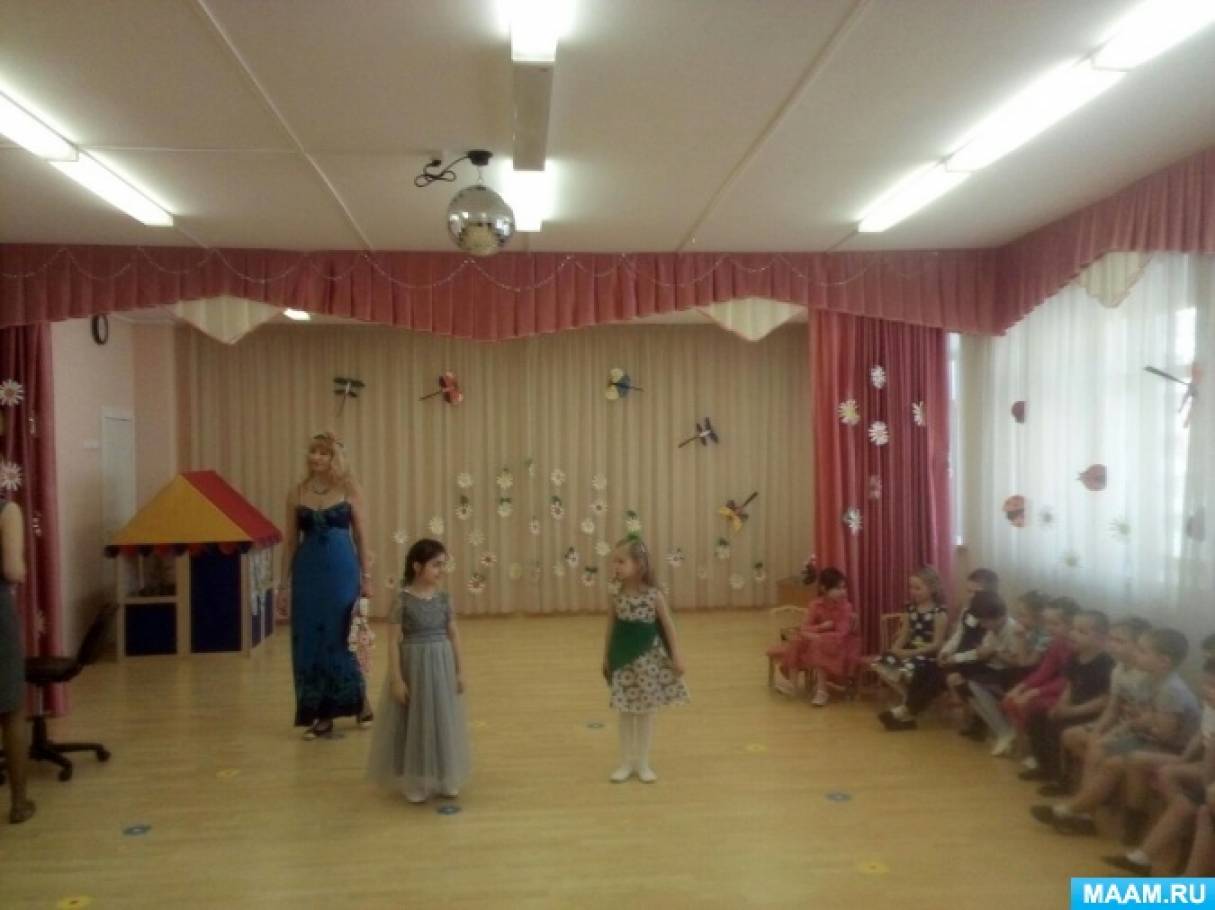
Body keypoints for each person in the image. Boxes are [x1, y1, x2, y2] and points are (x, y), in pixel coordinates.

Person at [1032, 628, 1200, 841]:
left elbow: (1165, 735)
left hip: (1171, 748)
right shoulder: (1150, 680)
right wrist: (1134, 724)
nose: (1137, 654)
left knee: (1112, 760)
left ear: (1164, 661)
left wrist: (1142, 722)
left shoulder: (1171, 690)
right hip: (1147, 738)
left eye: (1142, 651)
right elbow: (1139, 715)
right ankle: (1083, 811)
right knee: (1102, 752)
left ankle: (1074, 811)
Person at [277, 431, 372, 739]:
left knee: (342, 634)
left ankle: (353, 701)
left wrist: (366, 577)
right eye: (313, 452)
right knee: (309, 638)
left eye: (323, 453)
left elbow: (361, 537)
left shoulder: (349, 489)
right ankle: (320, 712)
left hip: (342, 572)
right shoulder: (296, 492)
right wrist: (283, 586)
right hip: (308, 573)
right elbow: (290, 542)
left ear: (335, 458)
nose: (315, 457)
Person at [367, 539, 469, 804]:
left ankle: (445, 775)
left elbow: (454, 635)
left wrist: (460, 671)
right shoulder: (402, 600)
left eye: (443, 565)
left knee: (442, 717)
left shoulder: (444, 599)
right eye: (436, 565)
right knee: (416, 721)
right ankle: (417, 778)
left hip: (441, 666)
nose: (441, 570)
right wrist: (397, 679)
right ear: (416, 566)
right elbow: (392, 642)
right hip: (414, 667)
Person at [1102, 657, 1215, 874]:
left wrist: (1206, 780)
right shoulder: (1210, 709)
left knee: (1196, 803)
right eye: (1207, 684)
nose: (1207, 691)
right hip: (1206, 767)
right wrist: (1185, 759)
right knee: (1183, 797)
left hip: (1208, 769)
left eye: (1214, 686)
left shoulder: (1173, 690)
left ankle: (1178, 846)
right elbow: (1202, 737)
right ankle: (1144, 857)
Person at [603, 537, 689, 782]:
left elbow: (669, 626)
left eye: (621, 561)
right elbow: (610, 626)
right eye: (614, 561)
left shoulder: (654, 595)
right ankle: (625, 763)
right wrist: (606, 656)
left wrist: (677, 655)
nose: (616, 566)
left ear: (639, 564)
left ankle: (642, 763)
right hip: (623, 661)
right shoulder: (615, 594)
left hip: (648, 662)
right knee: (625, 713)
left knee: (645, 713)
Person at [1018, 610, 1113, 786]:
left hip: (1091, 713)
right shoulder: (1074, 658)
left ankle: (1062, 778)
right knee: (1037, 716)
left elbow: (1103, 701)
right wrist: (1060, 706)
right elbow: (1069, 686)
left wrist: (1071, 711)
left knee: (1059, 728)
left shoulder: (1105, 664)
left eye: (1082, 632)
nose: (1073, 634)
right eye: (1074, 629)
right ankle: (1044, 766)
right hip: (1072, 708)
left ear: (1100, 638)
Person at [0, 450, 34, 824]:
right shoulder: (6, 511)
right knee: (9, 708)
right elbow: (12, 571)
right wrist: (20, 568)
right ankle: (19, 803)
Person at [875, 567, 949, 732]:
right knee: (881, 663)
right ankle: (909, 700)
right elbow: (904, 634)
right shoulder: (910, 609)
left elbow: (937, 644)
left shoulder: (939, 613)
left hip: (928, 655)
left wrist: (909, 653)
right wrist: (895, 650)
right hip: (911, 650)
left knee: (912, 669)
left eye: (918, 588)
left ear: (932, 588)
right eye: (911, 587)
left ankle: (907, 705)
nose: (913, 591)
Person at [770, 566, 854, 706]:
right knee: (797, 640)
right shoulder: (815, 605)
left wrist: (817, 636)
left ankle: (822, 691)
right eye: (838, 588)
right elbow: (804, 627)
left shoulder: (845, 607)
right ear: (824, 588)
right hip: (816, 638)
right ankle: (792, 685)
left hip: (838, 642)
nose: (843, 592)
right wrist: (821, 628)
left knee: (817, 644)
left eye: (844, 588)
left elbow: (842, 633)